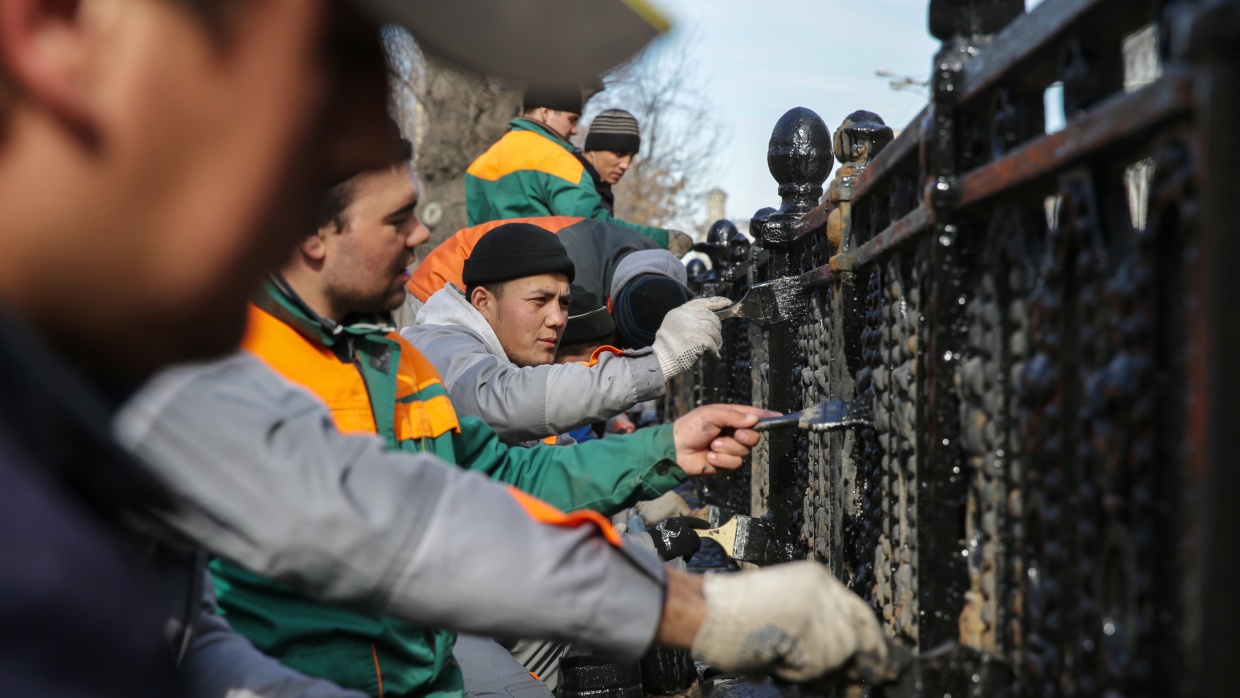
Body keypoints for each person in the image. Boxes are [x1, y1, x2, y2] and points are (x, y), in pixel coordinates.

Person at [213, 159, 787, 697]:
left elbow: (505, 477)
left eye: (563, 303)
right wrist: (655, 368)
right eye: (396, 219)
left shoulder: (388, 362)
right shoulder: (239, 367)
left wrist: (666, 449)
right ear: (316, 236)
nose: (421, 235)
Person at [406, 222, 727, 446]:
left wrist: (651, 485)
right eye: (539, 300)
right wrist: (661, 360)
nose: (559, 319)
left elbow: (557, 467)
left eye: (564, 302)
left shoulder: (514, 360)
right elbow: (503, 400)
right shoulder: (436, 346)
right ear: (482, 302)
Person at [465, 89, 693, 257]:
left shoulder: (480, 164)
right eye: (572, 120)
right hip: (538, 279)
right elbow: (592, 228)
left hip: (490, 284)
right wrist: (661, 239)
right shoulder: (557, 160)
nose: (574, 131)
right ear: (545, 113)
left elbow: (476, 233)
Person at [577, 109, 640, 214]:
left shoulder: (600, 184)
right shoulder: (571, 179)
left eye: (631, 156)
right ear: (593, 150)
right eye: (619, 154)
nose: (625, 165)